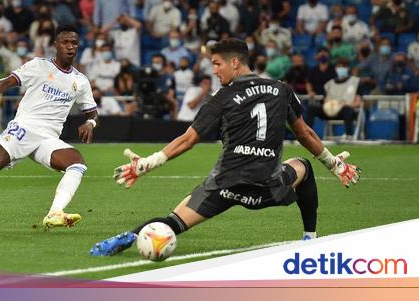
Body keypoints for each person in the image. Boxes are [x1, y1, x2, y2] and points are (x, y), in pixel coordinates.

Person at [89, 38, 360, 257]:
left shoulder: (223, 96)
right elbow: (304, 133)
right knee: (305, 166)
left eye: (217, 64)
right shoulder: (281, 89)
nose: (214, 70)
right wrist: (334, 164)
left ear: (235, 62)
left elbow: (188, 139)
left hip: (226, 186)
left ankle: (129, 237)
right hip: (269, 186)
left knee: (174, 221)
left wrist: (148, 163)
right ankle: (309, 238)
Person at [0, 25, 99, 232]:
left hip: (48, 138)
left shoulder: (80, 81)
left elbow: (92, 112)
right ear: (55, 45)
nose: (70, 47)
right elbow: (10, 81)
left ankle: (55, 212)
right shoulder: (39, 66)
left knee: (77, 163)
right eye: (65, 42)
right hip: (25, 126)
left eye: (74, 43)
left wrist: (90, 122)